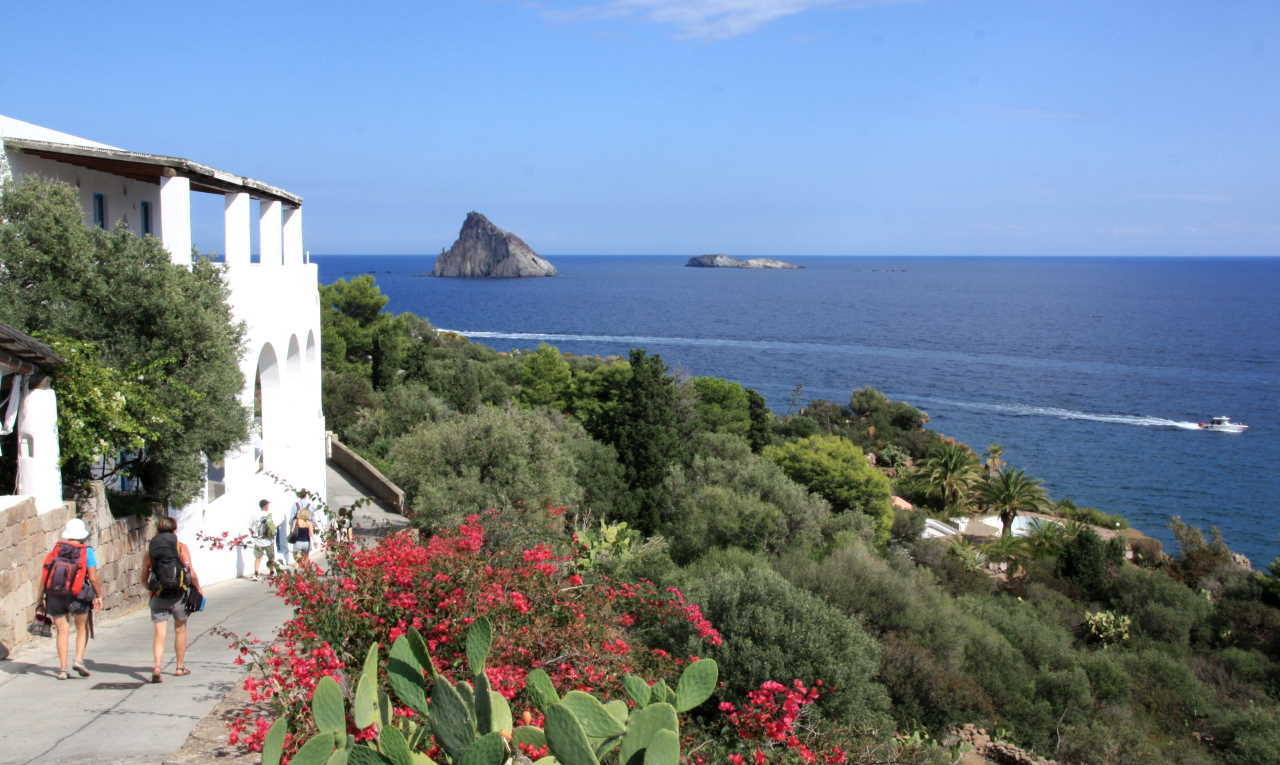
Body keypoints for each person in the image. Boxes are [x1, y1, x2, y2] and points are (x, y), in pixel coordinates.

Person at [36, 518, 103, 680]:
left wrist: (40, 599)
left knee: (62, 631)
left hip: (55, 595)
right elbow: (93, 577)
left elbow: (45, 575)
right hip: (78, 595)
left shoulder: (57, 550)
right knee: (81, 628)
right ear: (82, 535)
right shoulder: (86, 551)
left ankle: (62, 669)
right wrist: (99, 595)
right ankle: (79, 660)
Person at [140, 516, 201, 683]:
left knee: (160, 633)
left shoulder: (152, 550)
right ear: (175, 530)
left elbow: (144, 574)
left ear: (158, 530)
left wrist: (150, 588)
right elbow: (190, 571)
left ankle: (157, 667)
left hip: (158, 595)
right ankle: (179, 667)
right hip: (179, 596)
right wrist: (198, 588)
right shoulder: (180, 547)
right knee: (180, 630)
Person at [249, 499, 276, 579]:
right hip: (268, 541)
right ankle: (271, 572)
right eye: (268, 505)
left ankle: (256, 573)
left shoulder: (254, 515)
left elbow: (250, 527)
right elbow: (273, 527)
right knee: (271, 558)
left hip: (258, 541)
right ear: (265, 506)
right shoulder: (270, 515)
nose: (268, 506)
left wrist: (253, 535)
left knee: (258, 558)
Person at [290, 490, 315, 564]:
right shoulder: (310, 505)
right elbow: (313, 519)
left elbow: (291, 519)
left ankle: (298, 565)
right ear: (306, 496)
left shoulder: (295, 505)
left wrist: (293, 528)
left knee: (297, 553)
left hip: (297, 533)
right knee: (307, 554)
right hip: (306, 535)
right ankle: (306, 568)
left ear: (299, 496)